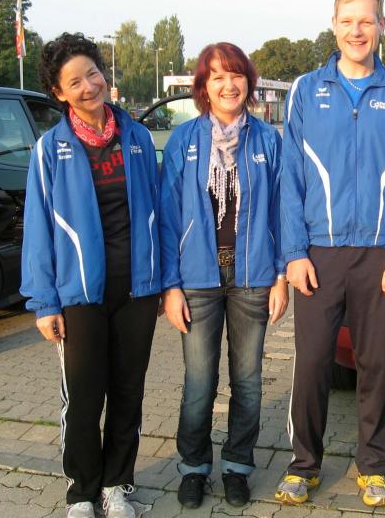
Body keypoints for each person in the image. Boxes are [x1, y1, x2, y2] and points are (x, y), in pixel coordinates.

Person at [275, 0, 385, 508]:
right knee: (312, 365)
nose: (356, 31)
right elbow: (290, 180)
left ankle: (375, 467)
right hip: (319, 254)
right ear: (333, 25)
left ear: (382, 26)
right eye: (347, 21)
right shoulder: (305, 90)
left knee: (376, 365)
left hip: (382, 255)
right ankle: (303, 465)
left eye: (366, 21)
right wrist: (294, 253)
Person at [21, 33, 161, 518]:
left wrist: (162, 282)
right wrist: (45, 303)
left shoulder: (137, 139)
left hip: (137, 290)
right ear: (59, 92)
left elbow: (158, 213)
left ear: (104, 74)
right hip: (78, 295)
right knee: (83, 396)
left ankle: (116, 484)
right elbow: (38, 227)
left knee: (128, 391)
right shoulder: (50, 149)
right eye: (75, 82)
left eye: (93, 74)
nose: (88, 86)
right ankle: (81, 492)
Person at [160, 42, 287, 509]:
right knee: (199, 382)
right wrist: (170, 286)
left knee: (248, 381)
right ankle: (194, 467)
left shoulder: (268, 140)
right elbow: (168, 217)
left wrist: (281, 276)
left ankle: (238, 465)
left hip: (253, 276)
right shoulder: (184, 141)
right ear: (204, 87)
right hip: (197, 278)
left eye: (235, 75)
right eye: (217, 76)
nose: (228, 84)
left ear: (248, 83)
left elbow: (283, 211)